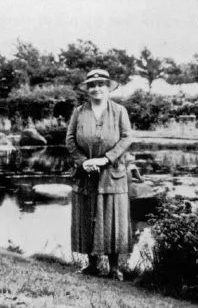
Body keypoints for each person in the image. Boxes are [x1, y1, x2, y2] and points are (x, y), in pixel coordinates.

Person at [65, 69, 133, 281]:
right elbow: (70, 139)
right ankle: (92, 265)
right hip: (86, 173)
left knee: (112, 217)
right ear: (87, 89)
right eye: (92, 85)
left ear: (108, 88)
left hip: (112, 173)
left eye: (100, 84)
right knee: (87, 215)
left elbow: (126, 138)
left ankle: (114, 268)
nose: (96, 89)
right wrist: (84, 161)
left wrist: (105, 159)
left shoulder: (119, 110)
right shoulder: (79, 111)